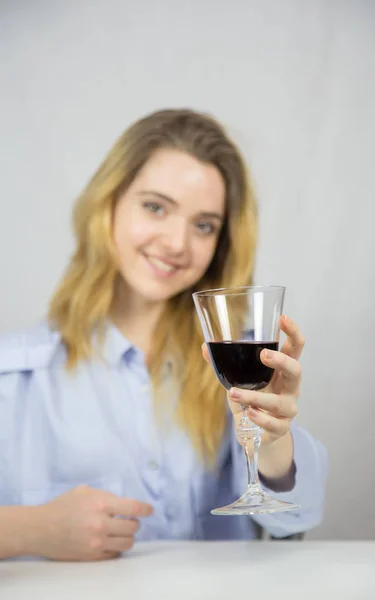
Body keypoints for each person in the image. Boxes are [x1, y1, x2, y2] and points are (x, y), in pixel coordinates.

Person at [0, 108, 327, 561]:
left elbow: (295, 519)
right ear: (107, 204)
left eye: (204, 225)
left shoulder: (235, 368)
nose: (177, 243)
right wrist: (24, 531)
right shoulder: (13, 378)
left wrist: (273, 438)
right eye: (156, 207)